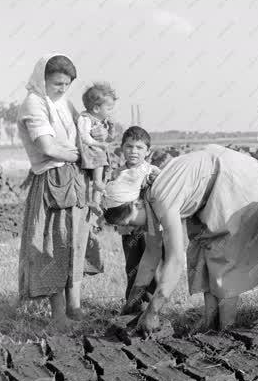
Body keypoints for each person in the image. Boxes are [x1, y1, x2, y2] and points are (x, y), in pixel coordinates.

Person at [102, 145, 258, 333]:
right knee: (205, 250)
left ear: (136, 203)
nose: (130, 229)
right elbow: (151, 255)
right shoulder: (148, 201)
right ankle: (210, 323)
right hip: (216, 189)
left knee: (226, 258)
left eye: (129, 222)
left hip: (238, 184)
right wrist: (131, 303)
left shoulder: (161, 198)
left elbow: (175, 260)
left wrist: (153, 311)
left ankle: (227, 330)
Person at [17, 54, 108, 329]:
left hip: (74, 178)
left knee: (76, 242)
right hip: (53, 180)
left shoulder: (64, 104)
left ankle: (75, 308)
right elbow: (47, 147)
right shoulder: (34, 104)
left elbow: (85, 133)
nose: (62, 88)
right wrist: (83, 153)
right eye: (57, 83)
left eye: (67, 84)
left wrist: (97, 137)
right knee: (55, 245)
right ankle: (58, 316)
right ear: (42, 79)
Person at [107, 126, 162, 303]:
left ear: (148, 151)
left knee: (153, 265)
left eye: (139, 148)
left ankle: (153, 304)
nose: (133, 151)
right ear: (122, 148)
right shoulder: (117, 174)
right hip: (128, 230)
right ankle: (133, 304)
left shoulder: (152, 172)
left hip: (150, 229)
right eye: (129, 146)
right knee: (132, 266)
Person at [77, 82, 117, 211]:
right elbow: (84, 137)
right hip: (89, 151)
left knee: (102, 172)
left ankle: (95, 202)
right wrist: (99, 144)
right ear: (96, 109)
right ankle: (98, 184)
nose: (111, 112)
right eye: (109, 108)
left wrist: (111, 129)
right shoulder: (86, 119)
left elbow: (109, 139)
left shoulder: (101, 122)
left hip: (96, 152)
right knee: (98, 178)